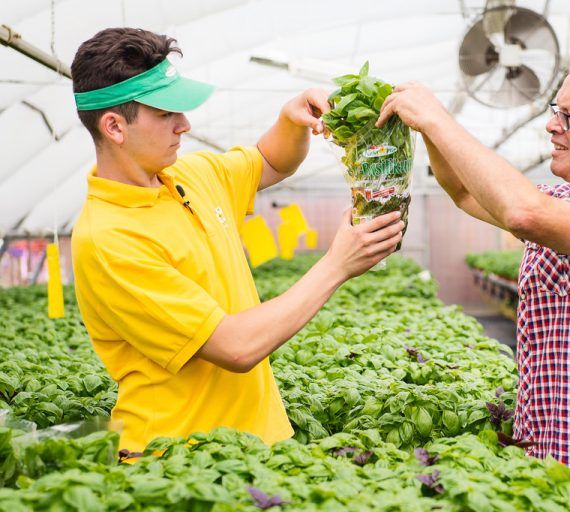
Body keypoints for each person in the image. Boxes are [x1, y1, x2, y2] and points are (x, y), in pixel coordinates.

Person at [377, 43, 570, 512]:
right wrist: (425, 128)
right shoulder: (562, 200)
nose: (552, 125)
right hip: (547, 470)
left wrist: (439, 119)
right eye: (554, 111)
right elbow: (463, 190)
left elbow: (523, 213)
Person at [70, 27, 404, 454]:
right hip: (182, 462)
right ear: (115, 127)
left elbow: (270, 161)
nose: (184, 124)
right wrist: (337, 265)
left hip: (256, 446)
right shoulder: (109, 238)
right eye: (166, 114)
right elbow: (235, 346)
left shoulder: (188, 175)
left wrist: (291, 119)